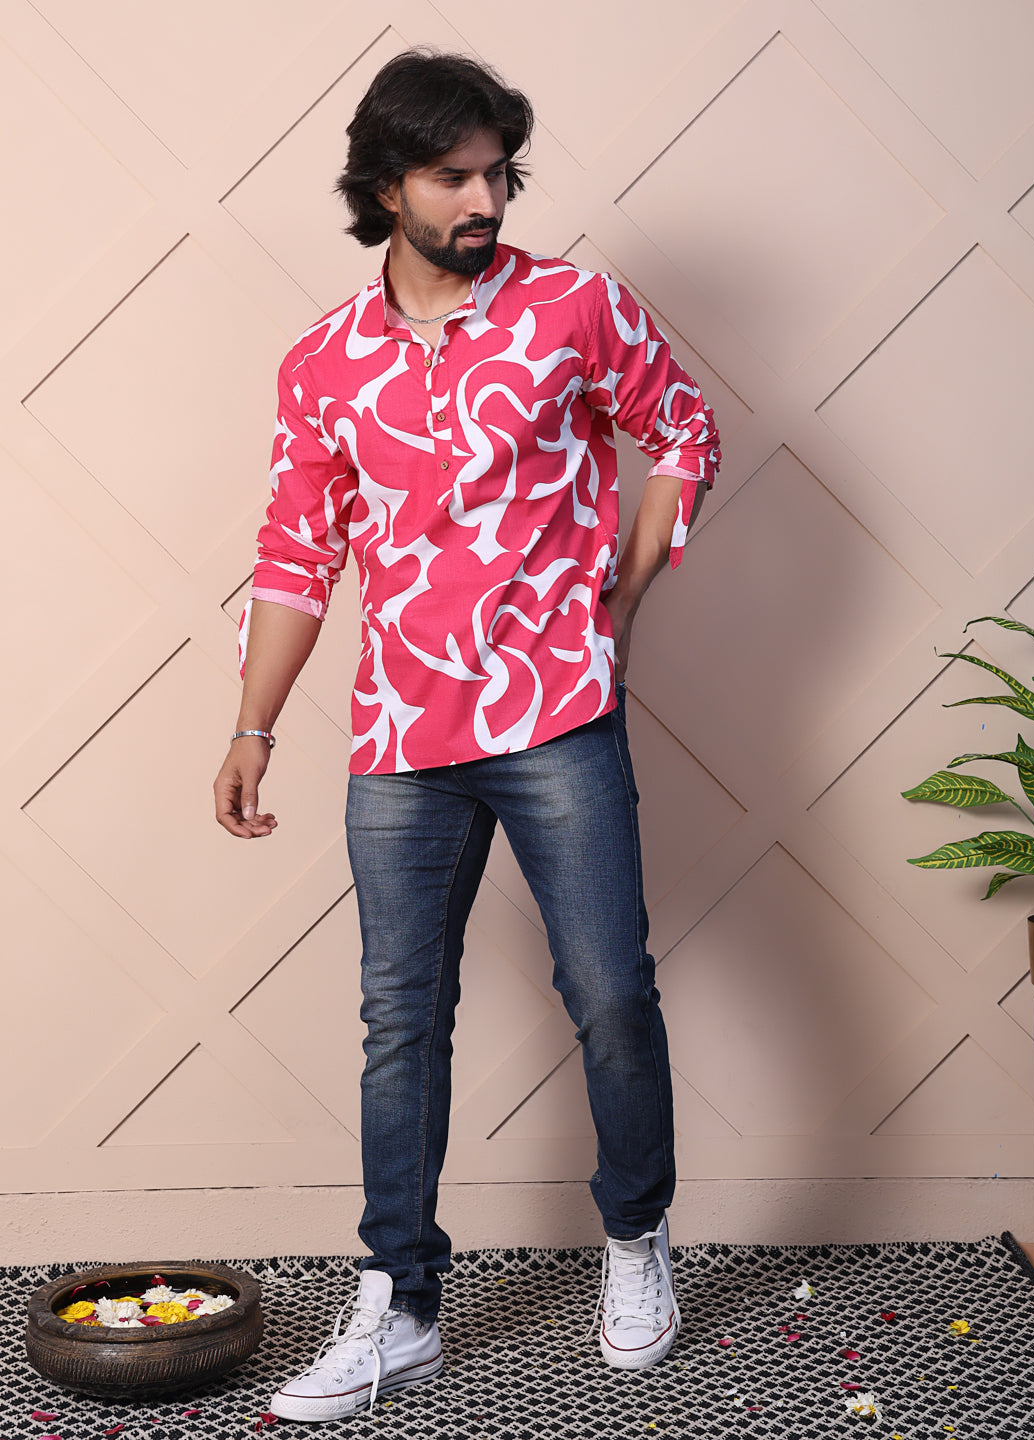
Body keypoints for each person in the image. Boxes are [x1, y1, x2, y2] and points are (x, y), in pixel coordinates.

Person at [212, 47, 719, 1425]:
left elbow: (683, 432)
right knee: (401, 1022)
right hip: (399, 734)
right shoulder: (323, 362)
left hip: (557, 714)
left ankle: (636, 1239)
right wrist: (253, 726)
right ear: (388, 186)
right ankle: (401, 1303)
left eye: (499, 173)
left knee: (609, 990)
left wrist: (619, 600)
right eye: (454, 176)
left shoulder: (574, 308)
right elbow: (297, 554)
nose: (486, 199)